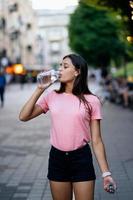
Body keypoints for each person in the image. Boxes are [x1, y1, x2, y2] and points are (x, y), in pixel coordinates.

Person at [19, 54, 116, 200]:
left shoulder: (92, 100)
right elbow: (23, 116)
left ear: (77, 72)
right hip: (57, 159)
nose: (60, 70)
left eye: (65, 66)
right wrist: (40, 89)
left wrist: (106, 173)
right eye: (60, 66)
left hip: (81, 158)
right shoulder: (52, 96)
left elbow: (96, 140)